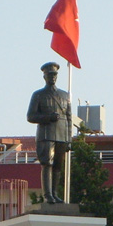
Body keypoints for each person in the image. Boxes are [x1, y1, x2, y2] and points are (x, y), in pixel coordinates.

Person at [26, 61, 72, 203]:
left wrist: (69, 139)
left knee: (58, 165)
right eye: (49, 75)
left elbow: (69, 118)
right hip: (46, 133)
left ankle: (55, 193)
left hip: (61, 134)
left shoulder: (65, 95)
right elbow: (30, 116)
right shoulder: (38, 95)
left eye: (54, 74)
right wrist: (48, 117)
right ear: (44, 77)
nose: (52, 77)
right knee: (47, 163)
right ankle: (48, 195)